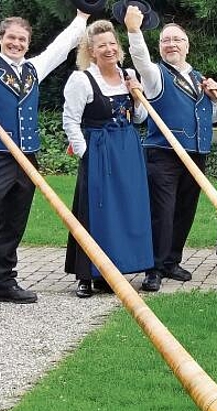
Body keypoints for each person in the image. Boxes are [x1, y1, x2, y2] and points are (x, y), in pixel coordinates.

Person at [0, 10, 90, 319]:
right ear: (0, 39)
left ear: (27, 43)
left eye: (22, 39)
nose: (16, 43)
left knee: (13, 222)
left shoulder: (34, 69)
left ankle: (3, 281)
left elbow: (61, 47)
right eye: (10, 37)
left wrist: (82, 16)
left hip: (27, 160)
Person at [124, 6, 217, 291]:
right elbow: (140, 59)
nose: (171, 45)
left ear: (187, 46)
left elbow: (213, 116)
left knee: (184, 210)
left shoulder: (199, 78)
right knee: (162, 212)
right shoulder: (155, 75)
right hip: (163, 154)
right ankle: (153, 268)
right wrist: (134, 31)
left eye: (177, 40)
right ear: (160, 46)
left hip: (196, 153)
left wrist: (214, 98)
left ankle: (171, 261)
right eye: (166, 40)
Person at [61, 19, 153, 298]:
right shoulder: (82, 79)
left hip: (127, 148)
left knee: (125, 208)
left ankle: (115, 270)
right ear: (91, 49)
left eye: (113, 43)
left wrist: (137, 96)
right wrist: (85, 152)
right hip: (99, 149)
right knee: (96, 209)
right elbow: (70, 121)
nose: (109, 49)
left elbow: (140, 117)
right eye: (102, 45)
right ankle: (87, 275)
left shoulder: (128, 75)